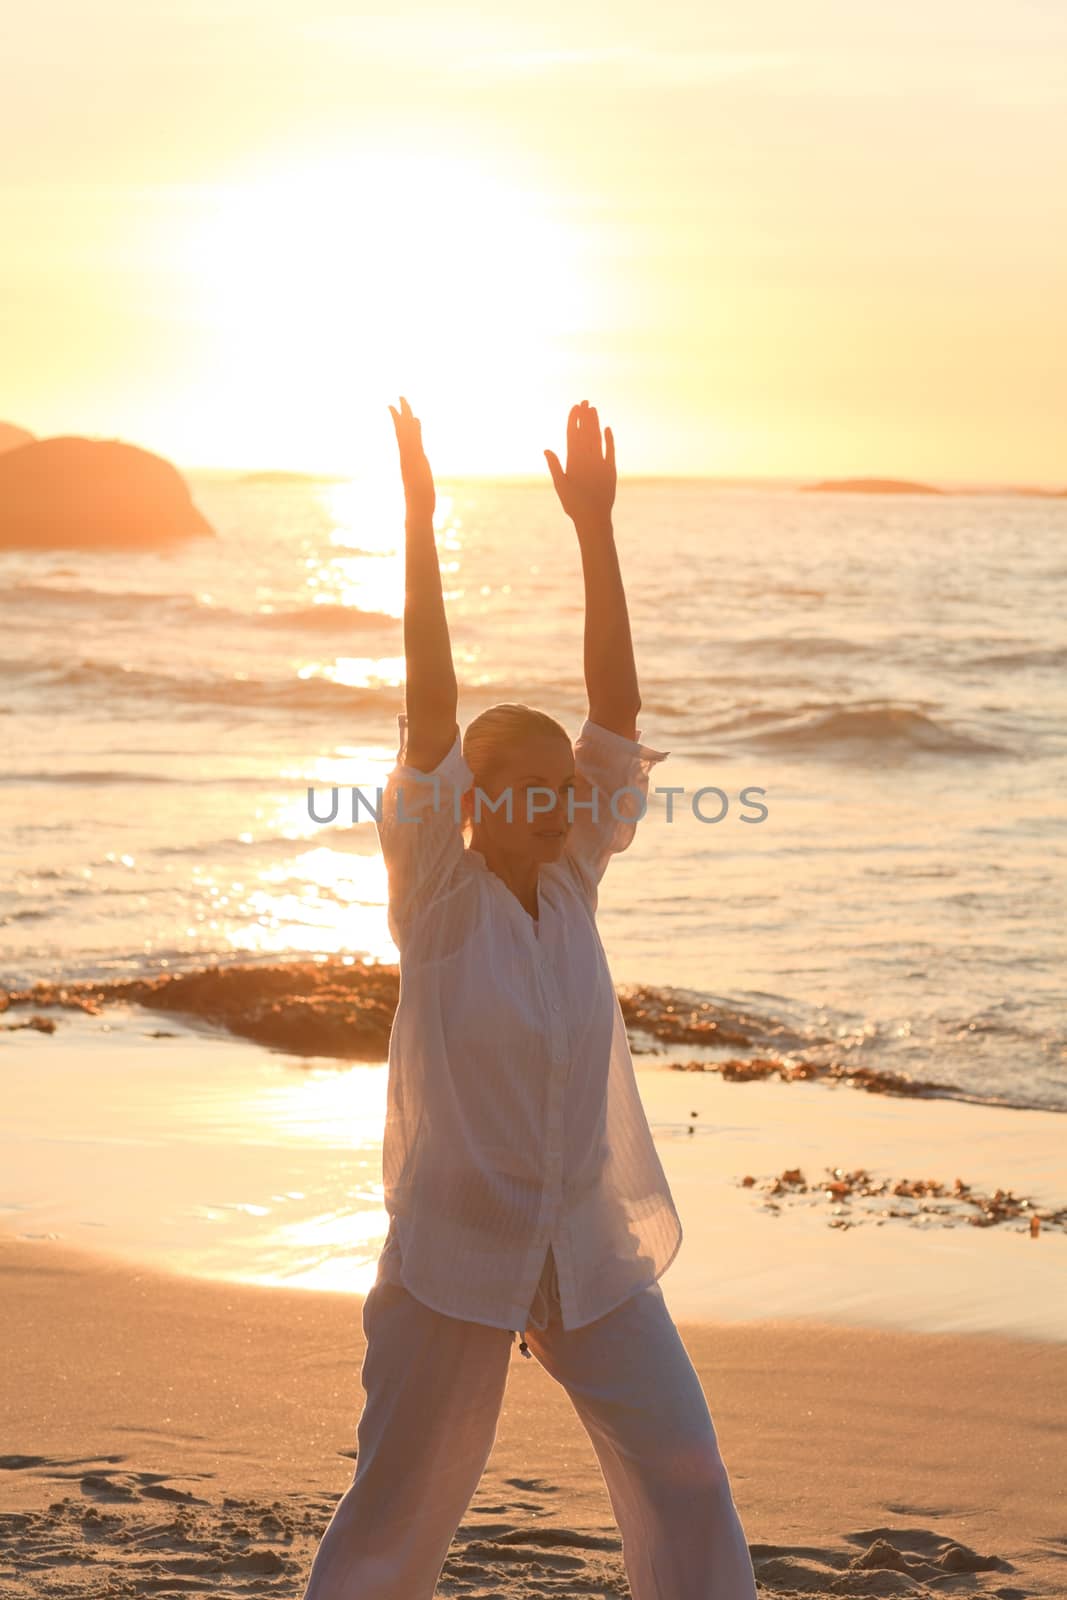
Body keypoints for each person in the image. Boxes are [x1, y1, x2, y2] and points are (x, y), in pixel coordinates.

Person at [299, 398, 758, 1600]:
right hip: (453, 1247)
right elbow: (435, 707)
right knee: (398, 1513)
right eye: (530, 787)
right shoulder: (437, 890)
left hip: (586, 1244)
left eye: (564, 789)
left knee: (687, 1477)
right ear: (466, 798)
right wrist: (417, 519)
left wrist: (593, 531)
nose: (559, 803)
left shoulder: (575, 877)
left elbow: (614, 716)